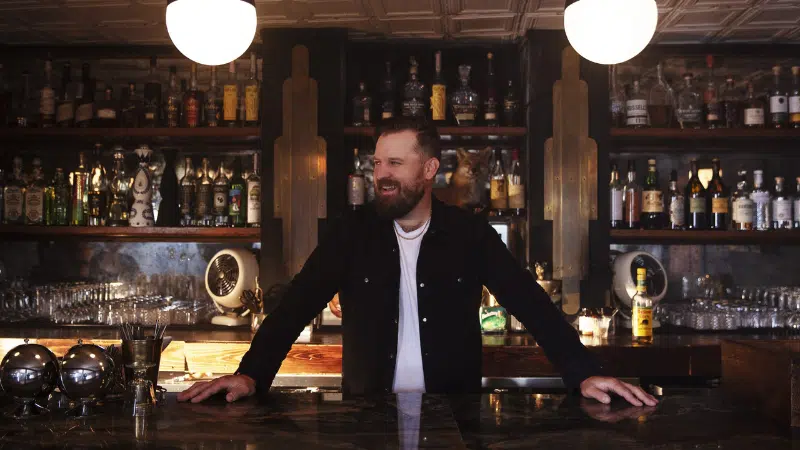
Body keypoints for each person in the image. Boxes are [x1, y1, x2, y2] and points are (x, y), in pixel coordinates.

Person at [178, 118, 658, 408]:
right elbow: (294, 308)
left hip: (455, 418)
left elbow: (531, 304)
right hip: (369, 419)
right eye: (377, 164)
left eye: (395, 164)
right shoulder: (352, 232)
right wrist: (251, 374)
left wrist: (583, 370)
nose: (380, 176)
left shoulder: (469, 234)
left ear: (430, 169)